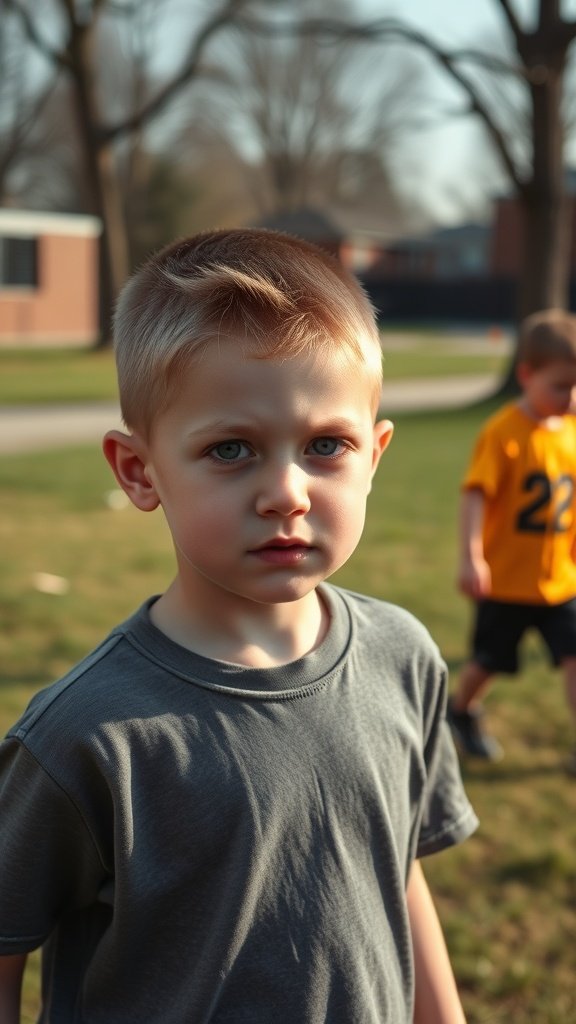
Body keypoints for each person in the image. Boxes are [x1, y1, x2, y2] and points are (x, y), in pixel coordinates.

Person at [0, 229, 477, 1024]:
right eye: (231, 449)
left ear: (375, 455)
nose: (286, 492)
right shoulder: (87, 736)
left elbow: (398, 874)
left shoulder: (405, 657)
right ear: (139, 472)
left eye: (327, 445)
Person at [448, 309, 576, 773]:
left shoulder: (572, 433)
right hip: (506, 582)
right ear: (526, 375)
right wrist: (472, 557)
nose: (570, 396)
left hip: (561, 581)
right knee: (490, 661)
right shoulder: (503, 433)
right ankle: (460, 710)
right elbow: (475, 496)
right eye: (560, 385)